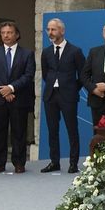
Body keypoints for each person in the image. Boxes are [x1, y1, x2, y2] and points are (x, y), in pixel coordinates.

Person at [0, 21, 36, 174]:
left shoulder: (27, 54)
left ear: (17, 35)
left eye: (9, 32)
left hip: (18, 98)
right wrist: (4, 90)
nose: (6, 35)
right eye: (3, 33)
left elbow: (28, 75)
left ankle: (19, 163)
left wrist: (11, 88)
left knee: (19, 132)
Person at [40, 18, 85, 174]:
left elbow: (83, 74)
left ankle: (73, 163)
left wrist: (72, 88)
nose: (50, 33)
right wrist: (53, 84)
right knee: (53, 130)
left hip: (68, 95)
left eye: (53, 29)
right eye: (48, 30)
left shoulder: (75, 51)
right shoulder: (45, 52)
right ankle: (54, 162)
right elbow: (45, 73)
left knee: (72, 129)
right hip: (50, 95)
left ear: (62, 31)